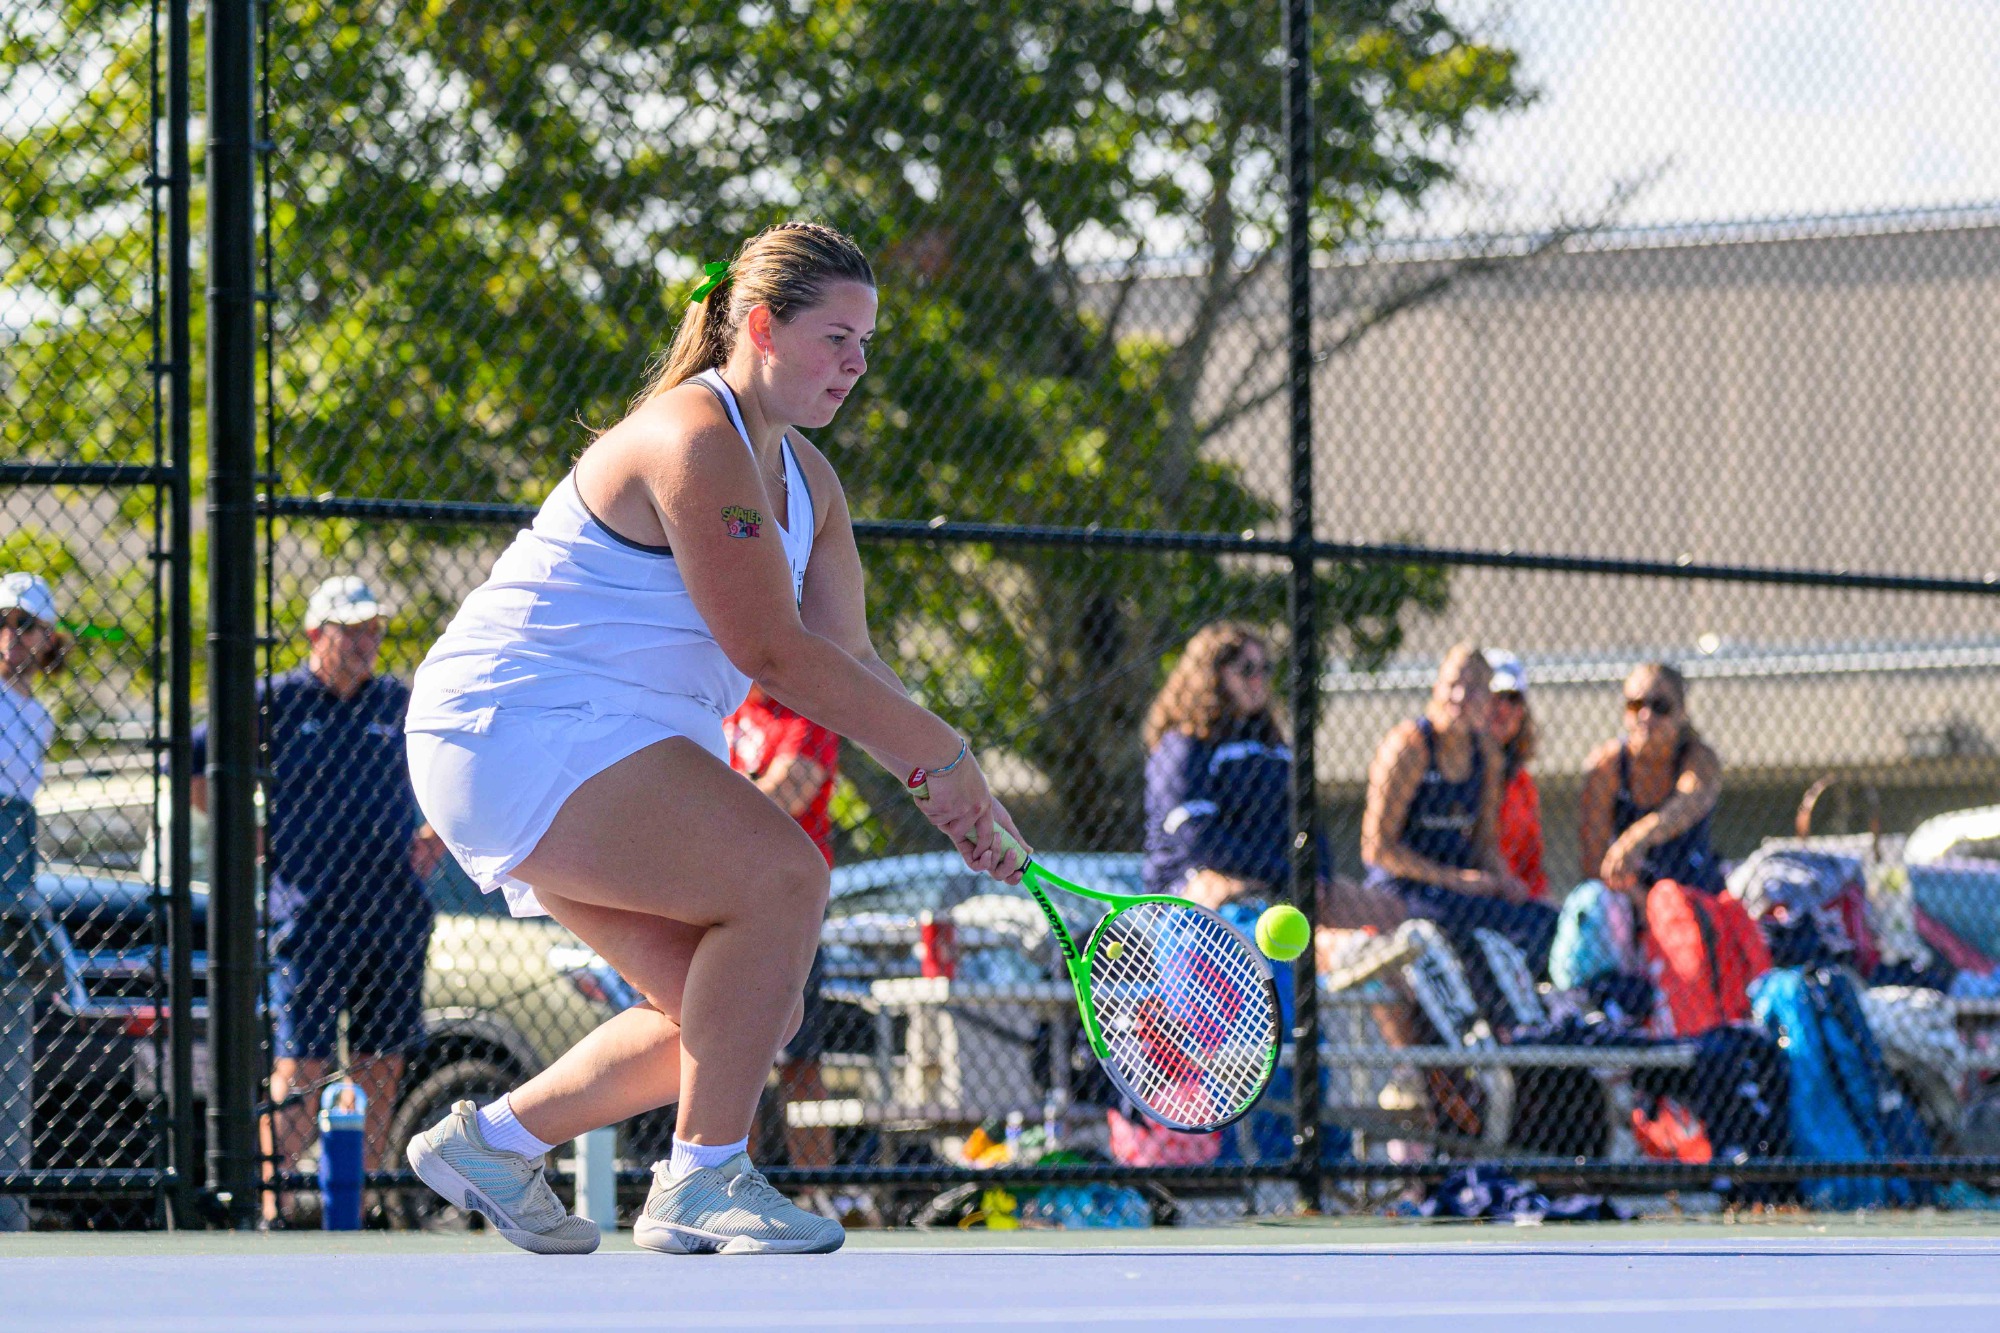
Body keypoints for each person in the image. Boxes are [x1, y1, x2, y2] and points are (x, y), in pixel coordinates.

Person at [402, 222, 1026, 1256]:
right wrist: (937, 753)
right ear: (760, 326)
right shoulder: (691, 435)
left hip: (601, 736)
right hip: (512, 724)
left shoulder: (809, 483)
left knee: (739, 1012)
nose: (856, 364)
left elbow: (850, 657)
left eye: (866, 344)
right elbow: (770, 652)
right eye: (835, 337)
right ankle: (700, 1179)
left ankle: (492, 1142)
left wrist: (960, 790)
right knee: (783, 878)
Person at [190, 574, 444, 1222]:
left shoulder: (397, 701)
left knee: (379, 1065)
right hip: (309, 918)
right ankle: (271, 1209)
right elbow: (192, 761)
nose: (366, 642)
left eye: (373, 629)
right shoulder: (275, 698)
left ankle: (353, 1210)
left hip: (393, 914)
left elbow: (459, 759)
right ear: (315, 634)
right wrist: (243, 835)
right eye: (352, 630)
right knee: (299, 1068)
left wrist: (439, 831)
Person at [1361, 643, 1558, 1024]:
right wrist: (1454, 879)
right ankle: (1495, 1029)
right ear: (1436, 687)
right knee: (1467, 931)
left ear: (1487, 699)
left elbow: (1485, 843)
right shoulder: (1410, 746)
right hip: (1405, 889)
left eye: (1473, 689)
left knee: (1542, 922)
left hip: (1459, 891)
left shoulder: (1486, 755)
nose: (1459, 697)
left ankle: (1537, 1030)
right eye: (1452, 684)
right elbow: (1377, 848)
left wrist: (1504, 880)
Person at [725, 683, 838, 1168]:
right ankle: (722, 1181)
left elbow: (791, 790)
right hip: (719, 896)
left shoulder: (807, 709)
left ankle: (825, 1193)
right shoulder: (720, 709)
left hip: (788, 903)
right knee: (724, 1054)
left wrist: (701, 805)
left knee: (799, 1059)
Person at [0, 573, 70, 1231]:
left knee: (11, 1053)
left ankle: (8, 1214)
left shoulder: (38, 717)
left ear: (46, 637)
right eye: (3, 620)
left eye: (25, 624)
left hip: (12, 880)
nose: (11, 635)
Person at [1578, 662, 1724, 899]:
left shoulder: (1698, 757)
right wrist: (1636, 898)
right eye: (1635, 705)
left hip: (1692, 891)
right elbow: (1594, 860)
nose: (1646, 716)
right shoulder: (1607, 765)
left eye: (1660, 706)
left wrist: (1635, 839)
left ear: (1681, 713)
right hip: (1628, 895)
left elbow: (1690, 801)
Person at [1484, 651, 1548, 902]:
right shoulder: (1452, 773)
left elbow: (1532, 871)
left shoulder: (1522, 784)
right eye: (1493, 697)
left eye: (1512, 698)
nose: (1502, 708)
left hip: (1516, 904)